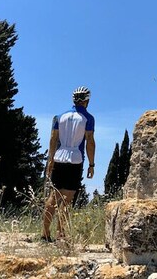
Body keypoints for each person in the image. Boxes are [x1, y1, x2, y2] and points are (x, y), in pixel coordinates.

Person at [41, 85, 95, 242]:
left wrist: (50, 160)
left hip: (59, 157)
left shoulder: (59, 116)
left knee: (53, 197)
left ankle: (45, 233)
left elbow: (53, 138)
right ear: (87, 101)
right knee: (66, 200)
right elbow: (89, 141)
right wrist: (91, 164)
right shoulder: (88, 118)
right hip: (75, 159)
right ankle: (60, 235)